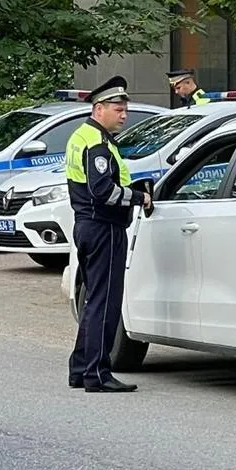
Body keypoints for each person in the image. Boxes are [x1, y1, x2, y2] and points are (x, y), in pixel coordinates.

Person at [67, 76, 153, 393]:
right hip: (105, 227)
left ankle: (80, 369)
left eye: (125, 109)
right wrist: (138, 197)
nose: (124, 115)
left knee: (93, 300)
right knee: (105, 303)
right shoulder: (97, 144)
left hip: (88, 225)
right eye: (118, 109)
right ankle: (98, 374)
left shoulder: (82, 135)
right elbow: (103, 190)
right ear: (99, 108)